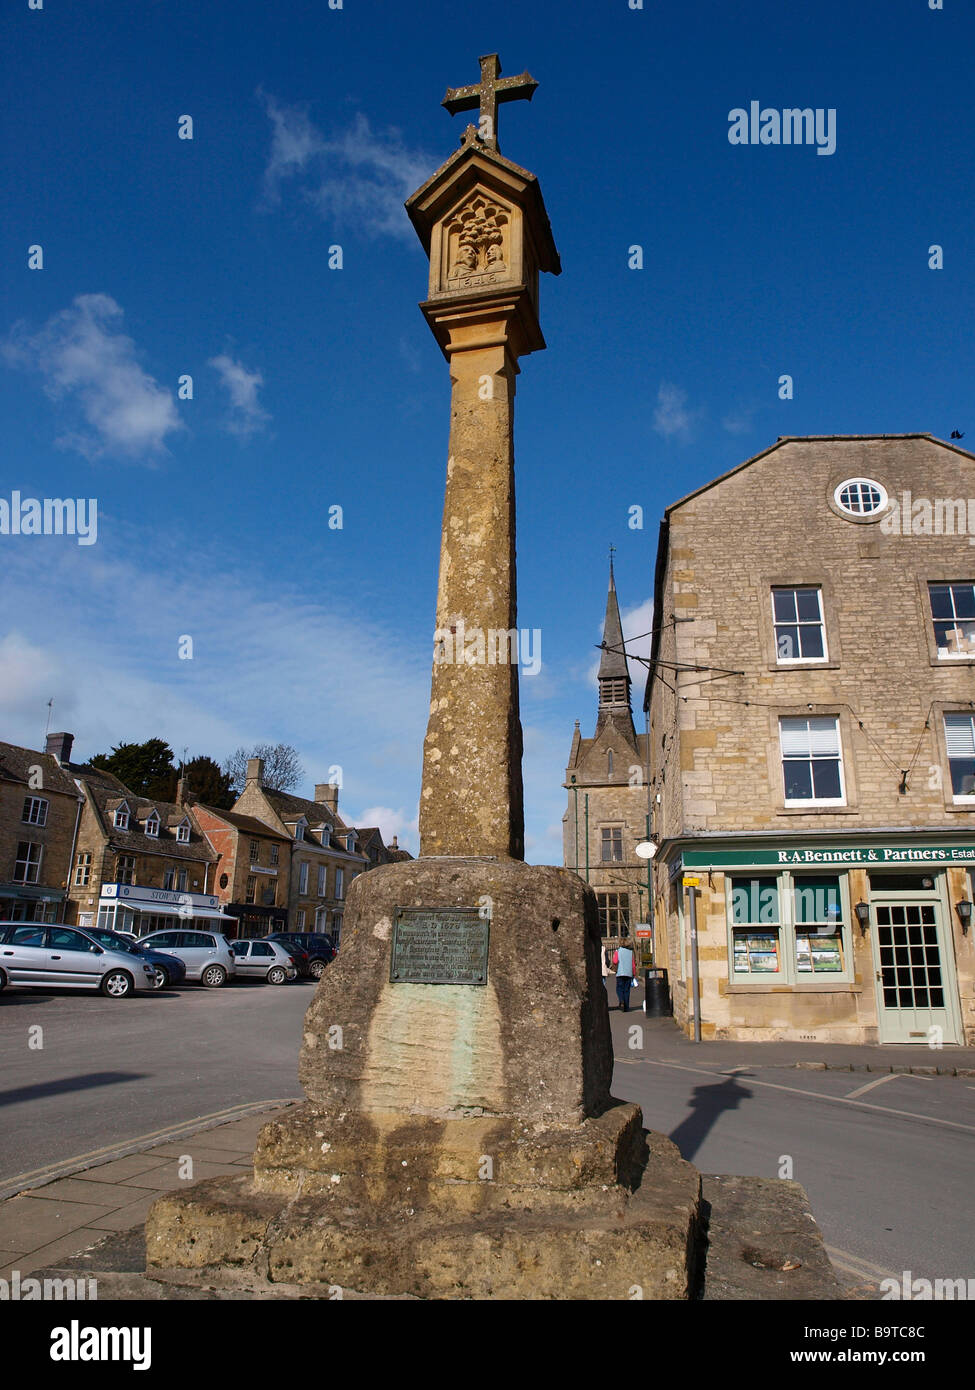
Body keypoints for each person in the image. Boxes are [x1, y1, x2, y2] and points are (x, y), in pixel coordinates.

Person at [615, 935, 635, 1012]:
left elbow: (615, 961)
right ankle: (626, 1007)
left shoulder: (618, 951)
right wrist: (634, 973)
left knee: (619, 989)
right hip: (628, 973)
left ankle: (621, 1000)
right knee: (627, 990)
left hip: (620, 973)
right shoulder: (630, 952)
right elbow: (633, 964)